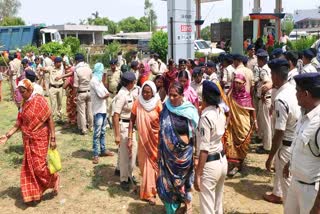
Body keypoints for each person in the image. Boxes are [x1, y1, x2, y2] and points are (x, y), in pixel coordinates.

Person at [0, 79, 59, 205]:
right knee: (30, 167)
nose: (21, 94)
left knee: (39, 167)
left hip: (41, 137)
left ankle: (54, 179)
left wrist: (53, 138)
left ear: (30, 89)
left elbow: (49, 120)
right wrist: (7, 135)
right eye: (20, 92)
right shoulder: (23, 105)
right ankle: (35, 194)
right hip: (27, 138)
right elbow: (18, 124)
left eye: (23, 92)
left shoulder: (40, 100)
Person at [263, 59, 301, 205]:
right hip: (296, 142)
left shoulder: (280, 98)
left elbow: (279, 132)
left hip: (286, 145)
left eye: (272, 75)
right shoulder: (293, 89)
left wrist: (270, 156)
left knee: (289, 191)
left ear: (276, 76)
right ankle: (277, 194)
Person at [157, 82, 199, 214]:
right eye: (170, 95)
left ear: (182, 95)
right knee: (167, 183)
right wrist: (159, 150)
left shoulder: (190, 111)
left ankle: (188, 204)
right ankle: (172, 208)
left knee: (183, 182)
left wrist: (196, 155)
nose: (172, 98)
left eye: (175, 95)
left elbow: (196, 135)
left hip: (184, 155)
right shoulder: (165, 108)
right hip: (167, 156)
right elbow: (161, 130)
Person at [283, 72, 320, 214]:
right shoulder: (304, 115)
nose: (296, 94)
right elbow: (299, 143)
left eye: (297, 91)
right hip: (295, 182)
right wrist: (290, 164)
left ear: (305, 94)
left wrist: (317, 206)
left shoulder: (318, 123)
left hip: (311, 191)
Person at [194, 80, 228, 214]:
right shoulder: (220, 111)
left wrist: (198, 172)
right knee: (217, 204)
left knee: (207, 205)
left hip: (210, 163)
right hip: (221, 160)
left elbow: (204, 149)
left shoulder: (206, 118)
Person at [128, 80, 162, 205]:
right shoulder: (138, 102)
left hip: (155, 140)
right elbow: (132, 120)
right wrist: (130, 137)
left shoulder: (158, 104)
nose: (146, 94)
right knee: (145, 166)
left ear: (153, 93)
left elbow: (163, 122)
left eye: (148, 92)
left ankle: (153, 190)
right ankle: (148, 191)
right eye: (144, 92)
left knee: (154, 165)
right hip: (143, 140)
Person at [223, 73, 257, 176]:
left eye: (239, 83)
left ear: (243, 84)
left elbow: (252, 110)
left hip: (244, 124)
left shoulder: (247, 96)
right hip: (233, 123)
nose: (237, 85)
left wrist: (255, 122)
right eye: (235, 82)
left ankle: (241, 164)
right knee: (232, 143)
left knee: (244, 142)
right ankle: (234, 165)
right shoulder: (230, 95)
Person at [112, 72, 138, 191]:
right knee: (124, 155)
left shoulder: (130, 93)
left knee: (132, 153)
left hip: (131, 127)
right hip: (124, 126)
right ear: (130, 83)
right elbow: (115, 115)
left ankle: (129, 174)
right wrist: (117, 135)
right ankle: (124, 179)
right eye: (133, 82)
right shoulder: (122, 95)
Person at [90, 63, 114, 164]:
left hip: (103, 109)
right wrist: (106, 94)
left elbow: (105, 91)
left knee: (103, 131)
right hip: (98, 110)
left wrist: (106, 94)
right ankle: (96, 154)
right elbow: (102, 95)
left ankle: (103, 150)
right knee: (97, 132)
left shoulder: (98, 80)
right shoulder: (94, 81)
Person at [256, 49, 273, 153]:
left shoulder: (263, 70)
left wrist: (262, 94)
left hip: (265, 98)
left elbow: (267, 83)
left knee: (266, 123)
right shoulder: (268, 68)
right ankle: (266, 143)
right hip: (268, 98)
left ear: (261, 60)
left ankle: (267, 147)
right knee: (267, 122)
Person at [73, 53, 93, 135]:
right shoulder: (89, 69)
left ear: (77, 61)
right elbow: (92, 80)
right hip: (90, 91)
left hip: (81, 92)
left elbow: (75, 85)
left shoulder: (77, 70)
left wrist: (74, 96)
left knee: (82, 112)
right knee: (90, 111)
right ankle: (91, 126)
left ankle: (84, 129)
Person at [103, 59, 121, 128]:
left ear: (116, 65)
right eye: (111, 65)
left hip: (117, 93)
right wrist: (106, 91)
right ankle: (108, 122)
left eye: (114, 65)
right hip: (110, 93)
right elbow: (106, 83)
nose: (113, 66)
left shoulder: (119, 72)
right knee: (108, 108)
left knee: (117, 108)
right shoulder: (108, 72)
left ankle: (116, 122)